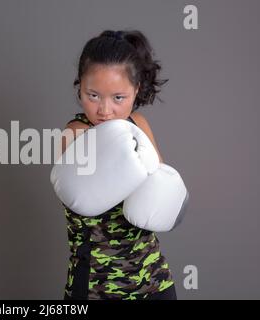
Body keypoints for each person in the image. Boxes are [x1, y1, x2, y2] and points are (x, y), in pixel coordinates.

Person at [59, 29, 177, 300]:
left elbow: (161, 195)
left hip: (152, 278)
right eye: (93, 95)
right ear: (80, 88)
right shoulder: (76, 133)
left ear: (136, 90)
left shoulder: (140, 124)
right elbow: (85, 199)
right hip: (97, 284)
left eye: (118, 98)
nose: (105, 110)